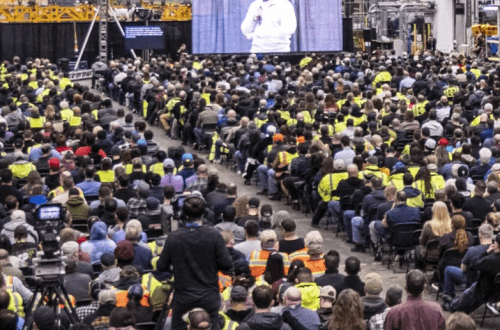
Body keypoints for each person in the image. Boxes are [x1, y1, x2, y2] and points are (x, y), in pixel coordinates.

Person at [157, 193, 233, 330]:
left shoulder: (175, 237)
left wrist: (177, 266)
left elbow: (161, 266)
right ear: (203, 214)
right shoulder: (214, 235)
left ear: (183, 214)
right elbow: (227, 264)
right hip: (209, 295)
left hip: (184, 297)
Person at [443, 234, 500, 313]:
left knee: (468, 293)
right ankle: (455, 307)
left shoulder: (491, 260)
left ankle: (452, 304)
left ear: (496, 244)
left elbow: (474, 264)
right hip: (496, 293)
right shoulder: (493, 258)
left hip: (483, 290)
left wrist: (486, 252)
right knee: (470, 299)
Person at [442, 224, 493, 298]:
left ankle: (449, 296)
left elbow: (463, 268)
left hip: (473, 279)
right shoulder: (496, 250)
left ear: (480, 234)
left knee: (448, 269)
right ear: (492, 234)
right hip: (491, 280)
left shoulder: (472, 250)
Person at [415, 201, 452, 270]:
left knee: (417, 249)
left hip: (431, 255)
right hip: (447, 254)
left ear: (433, 211)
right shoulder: (452, 224)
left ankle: (419, 273)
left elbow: (422, 242)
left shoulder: (428, 225)